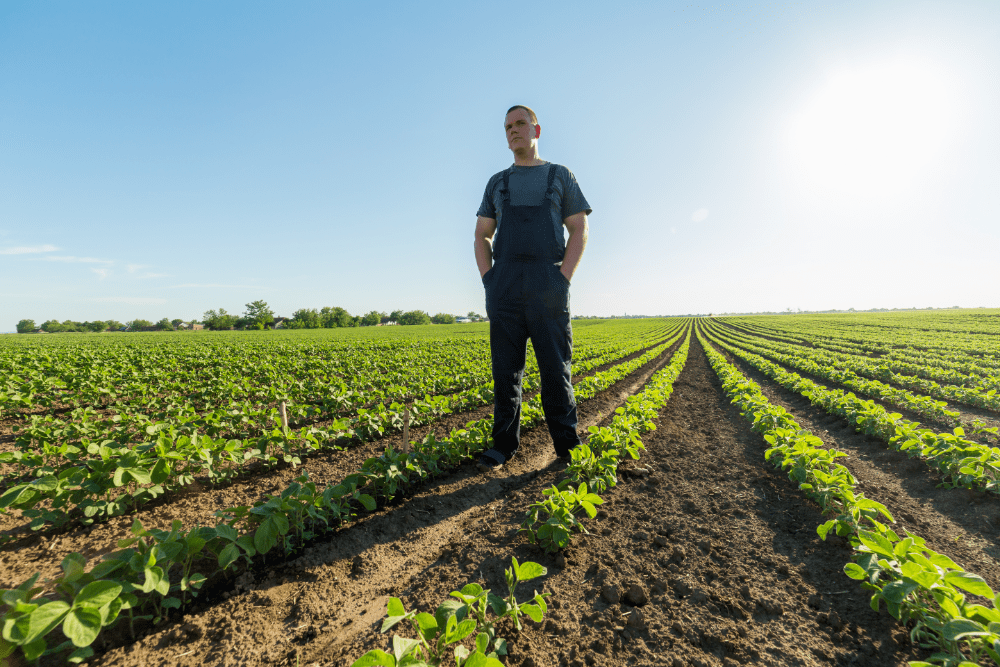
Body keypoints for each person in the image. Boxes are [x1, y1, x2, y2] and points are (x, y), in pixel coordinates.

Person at [473, 105, 591, 472]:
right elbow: (481, 235)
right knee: (505, 372)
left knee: (556, 370)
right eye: (507, 126)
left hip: (547, 284)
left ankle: (567, 445)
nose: (513, 130)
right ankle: (503, 446)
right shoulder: (497, 182)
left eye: (520, 123)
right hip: (505, 285)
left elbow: (579, 229)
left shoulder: (560, 176)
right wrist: (489, 279)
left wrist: (563, 276)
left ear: (536, 129)